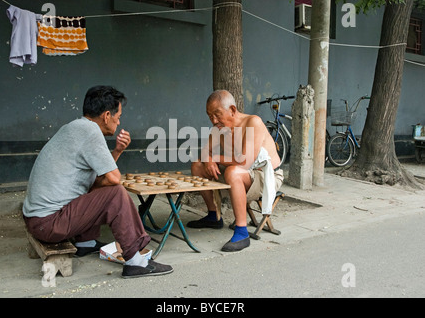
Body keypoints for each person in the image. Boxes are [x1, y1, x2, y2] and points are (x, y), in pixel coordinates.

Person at [23, 85, 173, 279]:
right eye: (118, 118)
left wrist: (117, 151)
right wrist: (112, 177)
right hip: (48, 223)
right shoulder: (90, 131)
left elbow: (97, 182)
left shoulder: (74, 127)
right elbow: (113, 179)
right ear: (106, 115)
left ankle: (86, 243)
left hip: (38, 220)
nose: (118, 123)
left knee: (97, 190)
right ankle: (136, 261)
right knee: (116, 193)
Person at [188, 90, 284, 252]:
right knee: (198, 165)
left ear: (232, 110)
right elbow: (205, 152)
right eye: (209, 115)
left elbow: (245, 161)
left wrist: (214, 158)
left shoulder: (253, 122)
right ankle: (214, 216)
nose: (214, 120)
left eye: (217, 114)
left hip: (266, 175)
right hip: (243, 174)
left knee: (233, 171)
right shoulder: (219, 128)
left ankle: (242, 231)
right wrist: (208, 158)